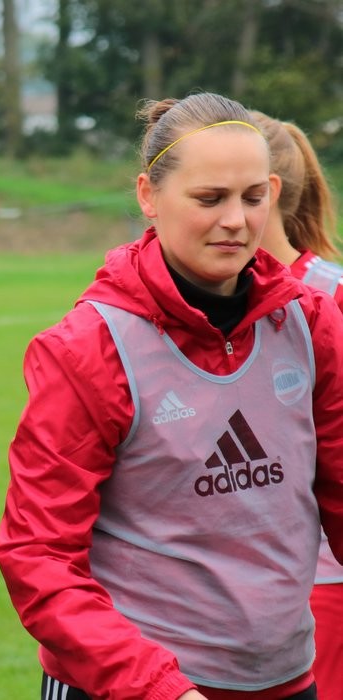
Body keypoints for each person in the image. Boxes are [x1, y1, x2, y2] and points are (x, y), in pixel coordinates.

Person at [0, 92, 343, 700]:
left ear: (274, 194)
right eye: (210, 198)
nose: (235, 220)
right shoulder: (88, 349)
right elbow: (39, 554)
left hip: (286, 679)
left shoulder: (310, 323)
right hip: (132, 686)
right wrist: (157, 687)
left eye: (252, 198)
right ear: (148, 196)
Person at [252, 109, 343, 700]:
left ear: (267, 191)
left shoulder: (331, 293)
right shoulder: (205, 299)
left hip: (323, 577)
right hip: (228, 582)